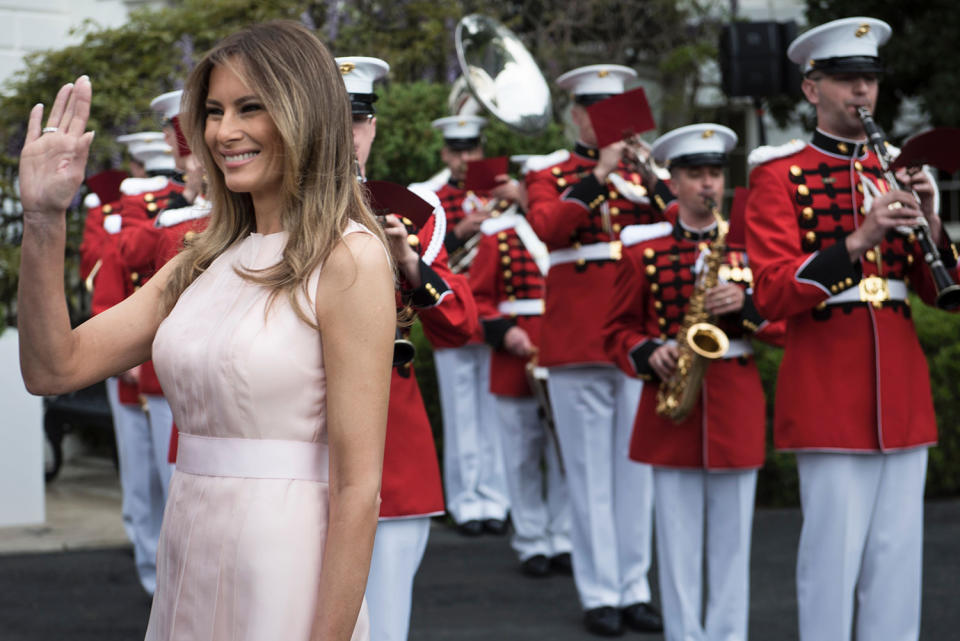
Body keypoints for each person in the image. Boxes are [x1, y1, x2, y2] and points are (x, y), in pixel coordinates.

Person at [18, 20, 395, 641]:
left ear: (306, 114)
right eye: (215, 111)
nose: (223, 132)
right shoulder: (200, 258)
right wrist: (43, 218)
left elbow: (358, 488)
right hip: (190, 541)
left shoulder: (349, 257)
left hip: (287, 558)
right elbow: (53, 369)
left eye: (251, 108)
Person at [744, 17, 960, 641]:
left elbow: (944, 296)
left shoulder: (899, 169)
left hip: (901, 389)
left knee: (896, 563)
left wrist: (932, 226)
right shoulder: (779, 175)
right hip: (827, 391)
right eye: (845, 80)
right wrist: (862, 236)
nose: (861, 92)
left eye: (869, 79)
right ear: (812, 89)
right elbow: (773, 291)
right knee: (831, 565)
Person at [606, 124, 782, 641]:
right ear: (674, 182)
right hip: (670, 406)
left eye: (714, 174)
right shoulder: (644, 252)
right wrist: (648, 351)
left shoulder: (751, 250)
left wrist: (749, 310)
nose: (708, 185)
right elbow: (614, 332)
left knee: (733, 545)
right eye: (695, 175)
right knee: (677, 546)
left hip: (734, 402)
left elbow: (792, 326)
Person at [338, 55, 478, 641]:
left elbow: (460, 326)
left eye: (358, 121)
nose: (346, 135)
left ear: (371, 128)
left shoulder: (414, 212)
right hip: (296, 445)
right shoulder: (265, 213)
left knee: (387, 621)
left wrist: (407, 262)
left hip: (392, 444)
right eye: (331, 118)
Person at [524, 63, 665, 636]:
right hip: (579, 340)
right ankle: (600, 591)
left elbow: (686, 227)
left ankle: (635, 587)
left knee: (637, 474)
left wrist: (651, 175)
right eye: (596, 111)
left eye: (616, 111)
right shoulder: (550, 172)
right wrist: (598, 176)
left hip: (637, 339)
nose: (607, 123)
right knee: (588, 478)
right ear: (578, 115)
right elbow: (550, 228)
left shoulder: (646, 175)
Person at [468, 183, 572, 577]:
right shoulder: (502, 236)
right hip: (516, 360)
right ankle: (531, 541)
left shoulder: (570, 236)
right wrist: (504, 330)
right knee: (522, 457)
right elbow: (477, 298)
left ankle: (564, 537)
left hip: (564, 355)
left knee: (566, 457)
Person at [428, 115, 511, 536]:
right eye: (457, 151)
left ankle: (496, 500)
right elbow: (423, 253)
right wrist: (460, 231)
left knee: (493, 411)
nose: (465, 159)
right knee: (461, 413)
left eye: (472, 150)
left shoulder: (498, 193)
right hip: (454, 313)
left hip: (494, 312)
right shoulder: (434, 197)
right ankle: (465, 503)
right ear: (445, 153)